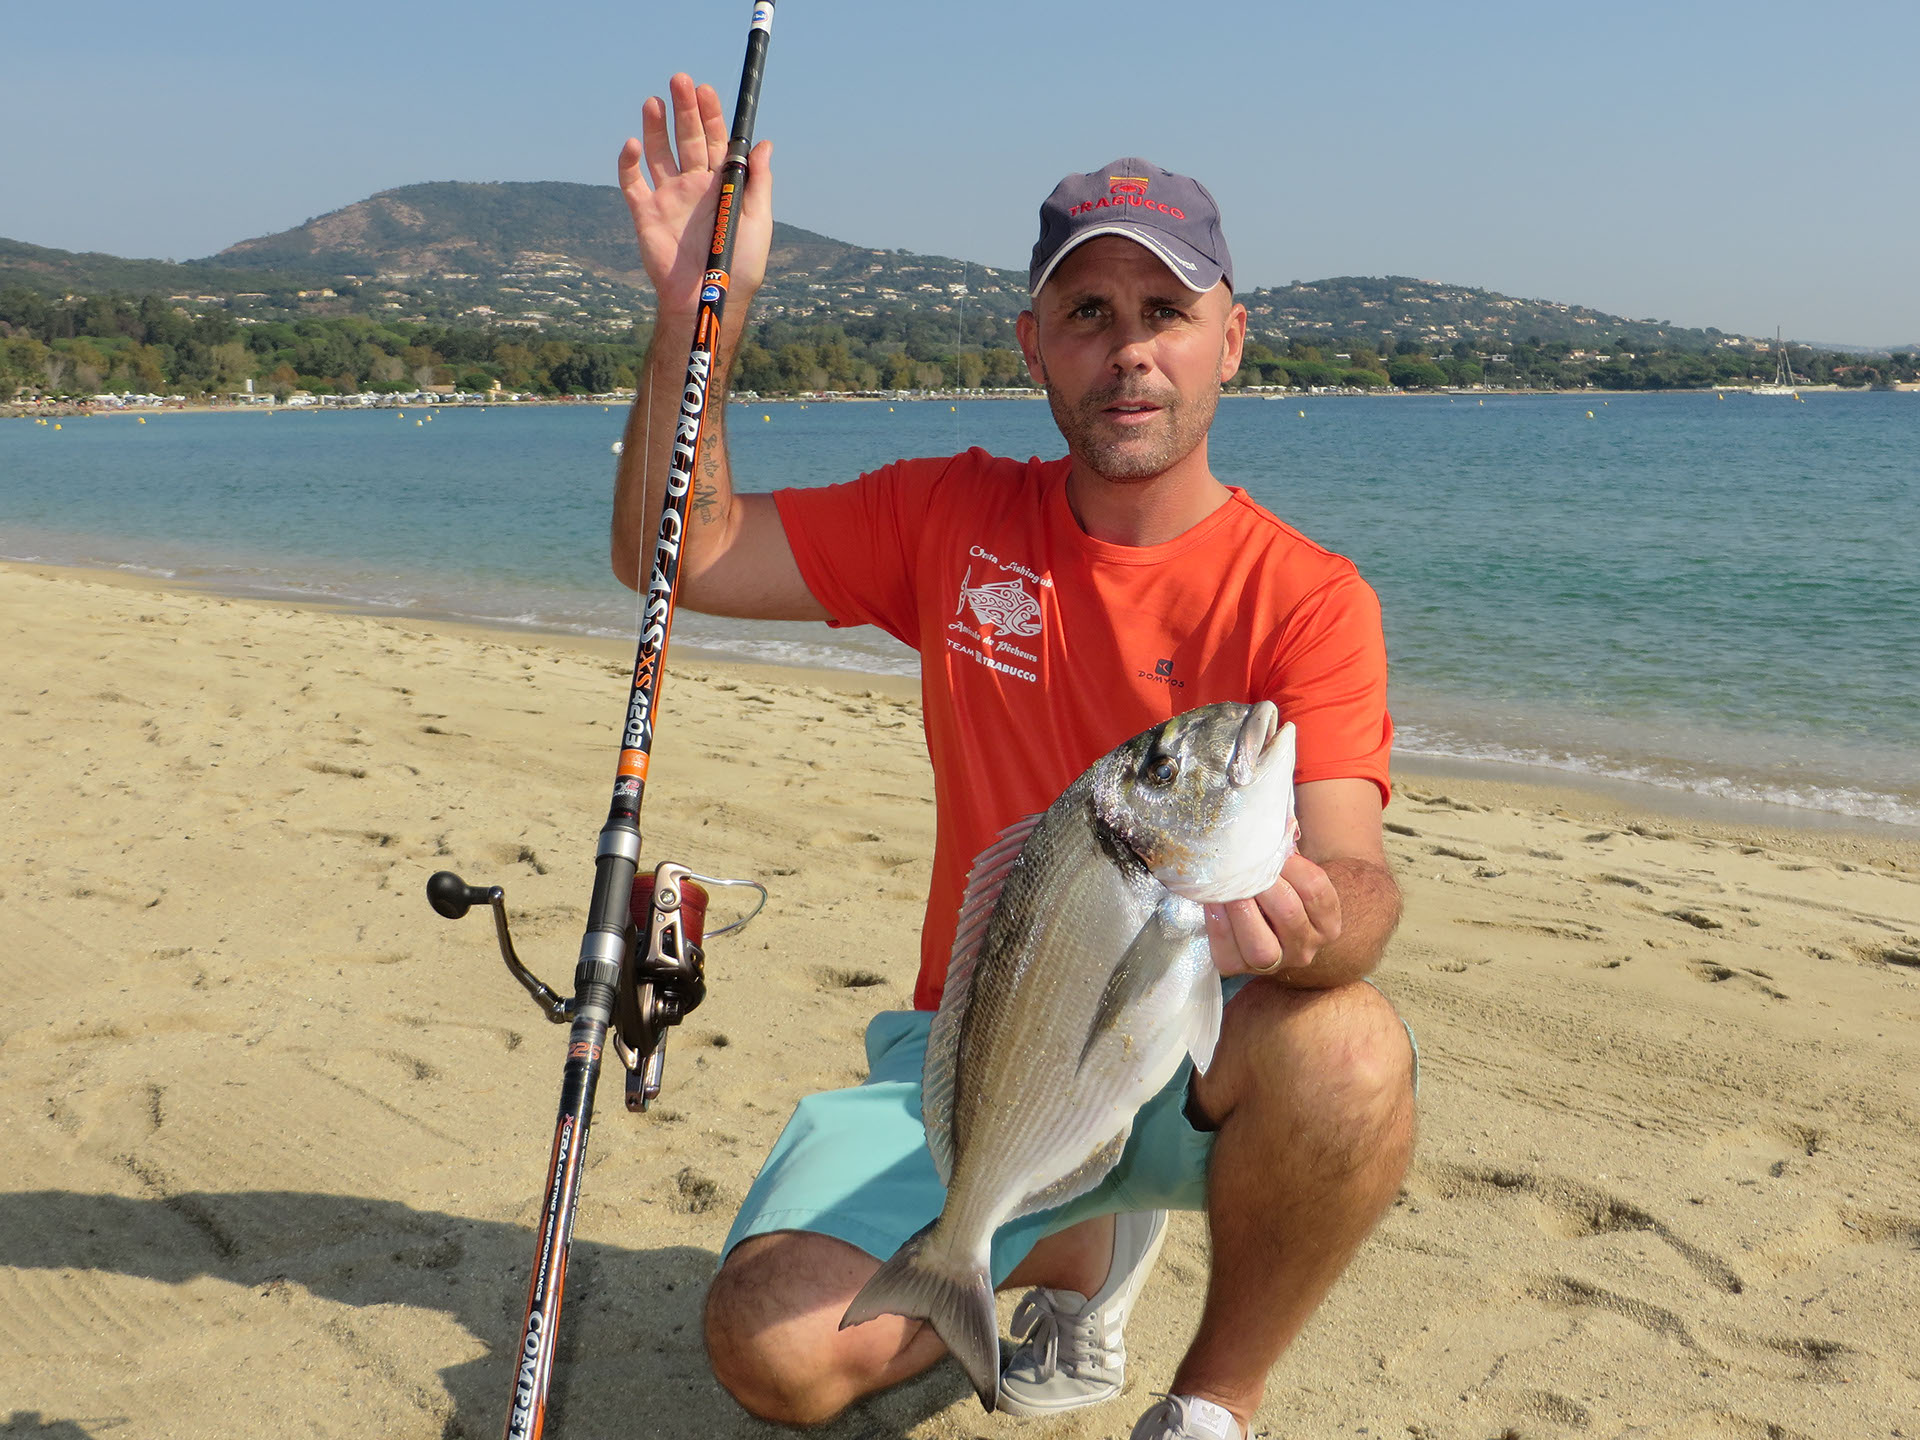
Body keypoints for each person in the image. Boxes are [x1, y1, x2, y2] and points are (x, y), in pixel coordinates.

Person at [612, 74, 1416, 1440]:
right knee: (772, 1355)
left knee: (1351, 1055)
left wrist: (1316, 926)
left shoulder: (1309, 598)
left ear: (1232, 338)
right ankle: (1054, 1246)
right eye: (1088, 314)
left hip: (1189, 1050)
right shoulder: (951, 515)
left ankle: (1214, 1401)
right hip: (976, 1057)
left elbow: (1354, 873)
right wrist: (704, 313)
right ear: (1034, 343)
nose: (1131, 351)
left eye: (1166, 313)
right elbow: (670, 555)